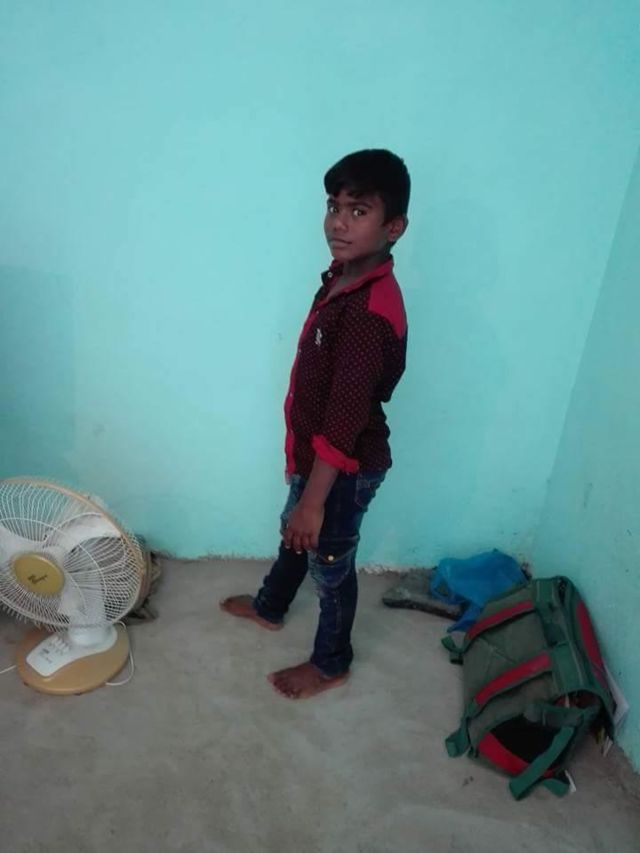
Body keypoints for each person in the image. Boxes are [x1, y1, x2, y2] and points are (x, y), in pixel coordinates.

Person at [221, 149, 410, 699]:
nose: (338, 223)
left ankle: (331, 663)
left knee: (329, 565)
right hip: (315, 455)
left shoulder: (370, 311)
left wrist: (314, 498)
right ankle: (271, 606)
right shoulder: (343, 279)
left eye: (359, 211)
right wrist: (303, 490)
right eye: (334, 207)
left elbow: (347, 417)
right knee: (295, 532)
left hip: (343, 467)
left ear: (394, 227)